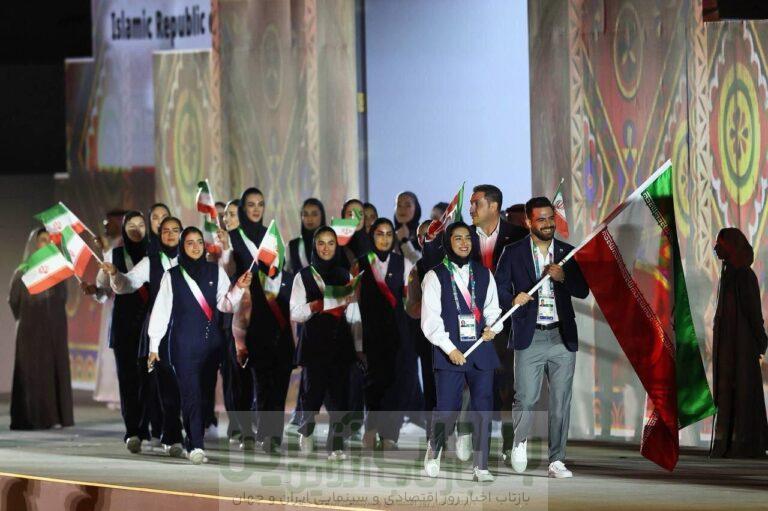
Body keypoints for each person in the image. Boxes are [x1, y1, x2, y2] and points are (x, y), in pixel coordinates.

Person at [495, 196, 589, 478]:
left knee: (561, 401)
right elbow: (498, 290)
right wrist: (513, 298)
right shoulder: (513, 252)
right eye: (541, 219)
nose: (548, 224)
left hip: (562, 336)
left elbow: (583, 290)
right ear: (528, 222)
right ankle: (519, 441)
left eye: (551, 218)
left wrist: (563, 277)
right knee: (525, 397)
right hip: (530, 336)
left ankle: (557, 460)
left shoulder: (566, 252)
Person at [147, 227, 250, 464]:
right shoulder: (172, 275)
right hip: (182, 346)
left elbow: (225, 305)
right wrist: (154, 346)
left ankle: (192, 438)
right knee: (191, 394)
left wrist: (239, 288)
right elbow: (161, 312)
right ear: (182, 247)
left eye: (199, 242)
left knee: (204, 397)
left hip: (211, 345)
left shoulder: (216, 271)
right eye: (190, 243)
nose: (195, 247)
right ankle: (196, 445)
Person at [421, 222, 503, 482]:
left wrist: (493, 327)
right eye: (458, 238)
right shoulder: (434, 276)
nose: (464, 243)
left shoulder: (484, 273)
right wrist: (450, 348)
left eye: (468, 238)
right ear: (448, 243)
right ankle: (435, 447)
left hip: (481, 350)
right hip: (450, 352)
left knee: (483, 409)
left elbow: (493, 309)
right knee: (447, 409)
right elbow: (430, 321)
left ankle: (481, 466)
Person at [105, 216, 186, 457]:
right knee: (154, 385)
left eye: (175, 230)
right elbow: (128, 283)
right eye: (166, 231)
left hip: (185, 330)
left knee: (182, 387)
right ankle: (163, 436)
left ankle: (178, 434)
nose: (170, 234)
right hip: (157, 332)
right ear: (159, 235)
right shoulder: (151, 261)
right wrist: (115, 274)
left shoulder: (192, 260)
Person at [84, 211, 160, 453]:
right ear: (125, 229)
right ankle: (132, 431)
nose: (136, 229)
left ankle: (144, 426)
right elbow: (103, 291)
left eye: (140, 225)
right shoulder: (114, 255)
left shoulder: (155, 254)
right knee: (127, 379)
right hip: (123, 324)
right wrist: (94, 291)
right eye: (131, 225)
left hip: (149, 324)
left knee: (148, 379)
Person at [290, 227, 359, 461]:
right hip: (314, 344)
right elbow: (295, 312)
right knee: (312, 395)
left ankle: (335, 444)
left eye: (331, 243)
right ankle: (306, 431)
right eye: (321, 243)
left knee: (340, 397)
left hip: (340, 343)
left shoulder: (345, 275)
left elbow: (354, 314)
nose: (326, 248)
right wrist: (315, 305)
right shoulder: (303, 276)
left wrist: (359, 346)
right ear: (314, 246)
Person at [711, 228, 768, 458]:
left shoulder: (744, 276)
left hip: (741, 349)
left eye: (720, 244)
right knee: (729, 394)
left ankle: (745, 444)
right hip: (729, 349)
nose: (716, 249)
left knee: (743, 394)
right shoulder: (729, 275)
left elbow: (753, 312)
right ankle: (728, 444)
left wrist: (760, 339)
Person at [9, 228, 74, 430]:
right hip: (30, 331)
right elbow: (14, 301)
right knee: (31, 373)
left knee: (51, 372)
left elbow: (63, 299)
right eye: (42, 240)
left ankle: (53, 418)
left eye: (49, 240)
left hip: (53, 331)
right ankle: (31, 419)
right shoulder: (22, 271)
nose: (46, 243)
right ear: (33, 245)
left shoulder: (57, 273)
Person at [357, 218, 413, 450]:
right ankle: (370, 429)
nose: (385, 238)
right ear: (372, 236)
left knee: (396, 384)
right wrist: (357, 341)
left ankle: (390, 435)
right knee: (373, 384)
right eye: (379, 234)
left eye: (389, 234)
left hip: (398, 334)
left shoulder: (404, 264)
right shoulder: (360, 264)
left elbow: (410, 301)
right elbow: (353, 304)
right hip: (371, 334)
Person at [405, 220, 438, 441]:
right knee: (431, 388)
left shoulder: (455, 262)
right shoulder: (417, 269)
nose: (428, 238)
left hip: (458, 338)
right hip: (428, 339)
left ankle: (461, 433)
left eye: (433, 233)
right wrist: (428, 302)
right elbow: (411, 308)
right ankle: (433, 438)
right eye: (423, 235)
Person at [93, 208, 128, 409]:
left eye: (110, 223)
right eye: (105, 224)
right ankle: (115, 395)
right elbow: (103, 281)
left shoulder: (124, 246)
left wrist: (106, 250)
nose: (106, 227)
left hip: (125, 306)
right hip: (111, 304)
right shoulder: (112, 245)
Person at [287, 198, 326, 273]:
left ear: (322, 216)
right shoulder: (292, 246)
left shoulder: (331, 244)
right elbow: (286, 274)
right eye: (305, 214)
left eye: (314, 214)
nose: (309, 219)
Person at [393, 191, 422, 265]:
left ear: (416, 209)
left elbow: (420, 266)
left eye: (408, 205)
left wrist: (405, 241)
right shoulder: (388, 234)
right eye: (399, 205)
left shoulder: (423, 234)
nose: (402, 209)